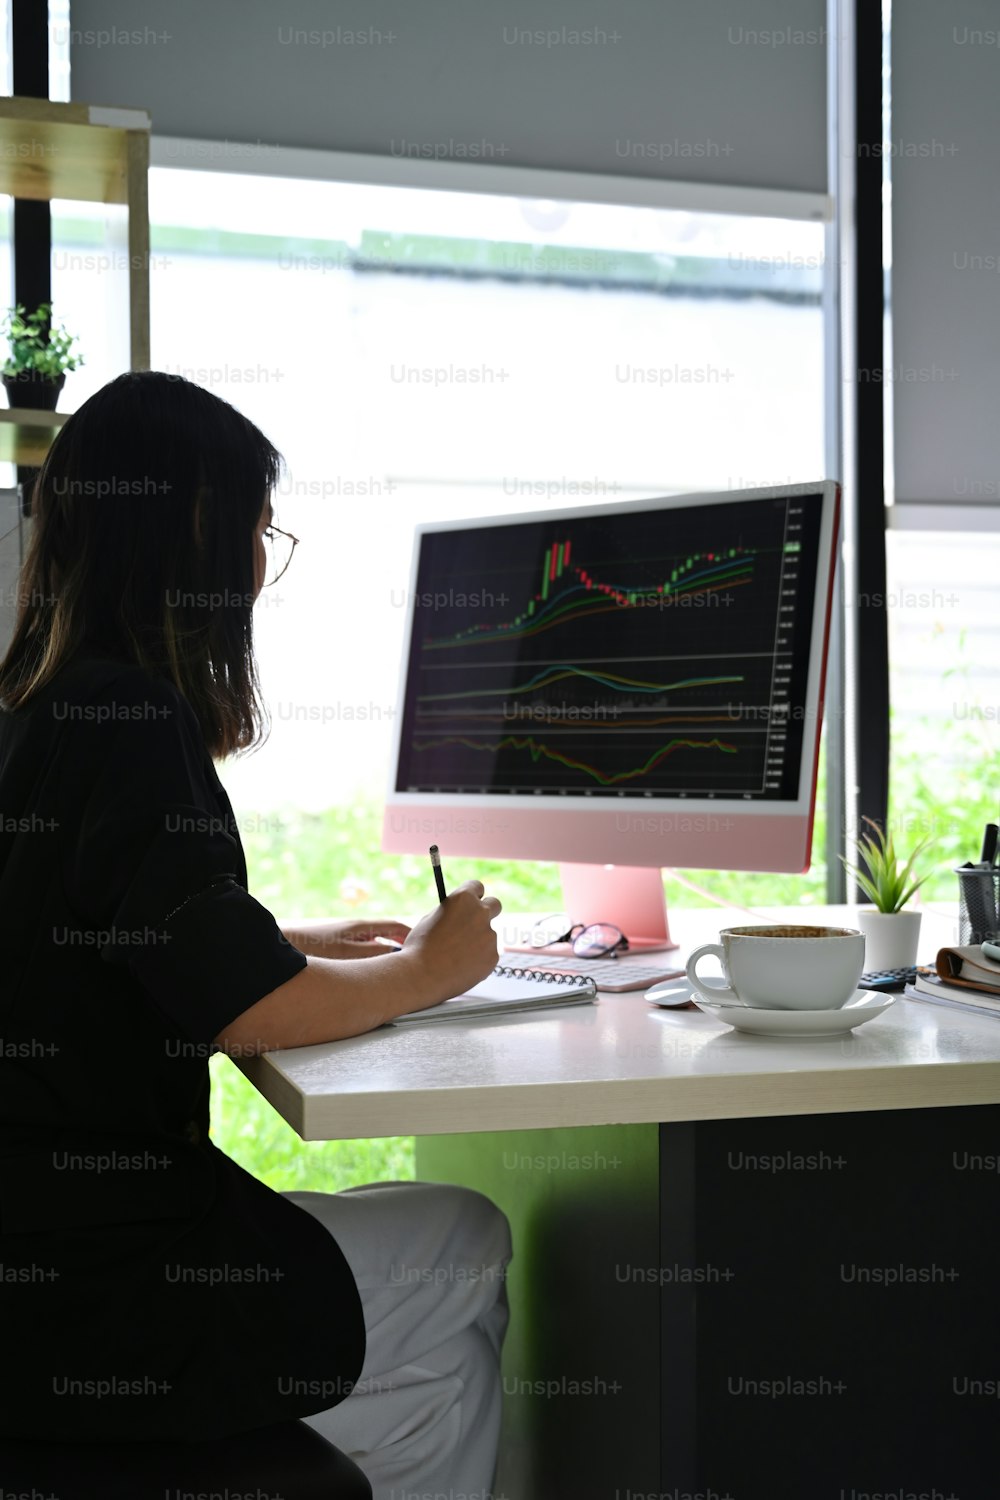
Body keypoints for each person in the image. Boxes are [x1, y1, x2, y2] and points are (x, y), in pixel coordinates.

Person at [0, 370, 511, 1495]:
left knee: (444, 1369)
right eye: (253, 529)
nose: (256, 566)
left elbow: (106, 928)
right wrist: (432, 968)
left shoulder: (39, 712)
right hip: (108, 1295)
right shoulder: (137, 722)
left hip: (38, 1272)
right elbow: (247, 1011)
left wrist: (304, 939)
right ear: (196, 534)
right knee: (468, 1241)